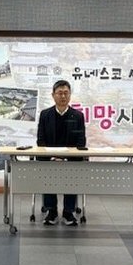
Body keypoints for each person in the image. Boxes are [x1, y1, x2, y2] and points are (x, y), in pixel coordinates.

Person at [37, 79, 87, 226]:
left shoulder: (78, 116)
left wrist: (65, 158)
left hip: (70, 159)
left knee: (72, 171)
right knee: (47, 171)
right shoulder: (45, 114)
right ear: (53, 95)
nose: (63, 96)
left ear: (70, 95)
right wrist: (52, 157)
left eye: (66, 93)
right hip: (49, 158)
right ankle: (51, 211)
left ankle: (68, 212)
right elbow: (41, 140)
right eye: (60, 93)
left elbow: (81, 142)